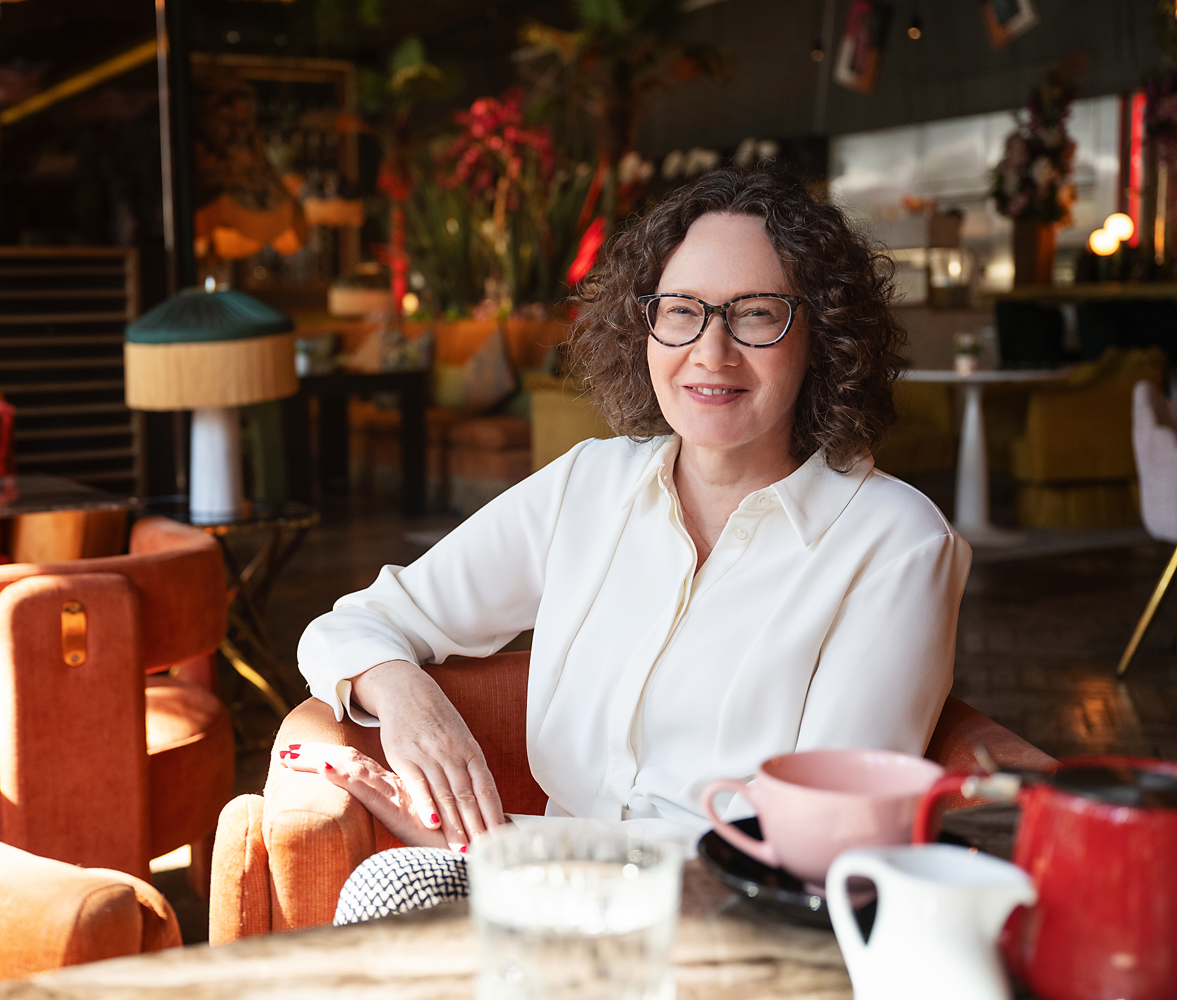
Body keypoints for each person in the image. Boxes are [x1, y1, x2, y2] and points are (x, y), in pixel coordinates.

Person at [281, 168, 972, 923]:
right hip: (548, 886)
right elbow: (354, 624)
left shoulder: (896, 544)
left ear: (824, 335)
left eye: (757, 315)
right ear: (645, 325)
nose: (712, 351)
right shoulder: (590, 484)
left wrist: (510, 848)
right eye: (681, 312)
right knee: (390, 894)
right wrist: (411, 700)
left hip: (733, 919)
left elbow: (821, 846)